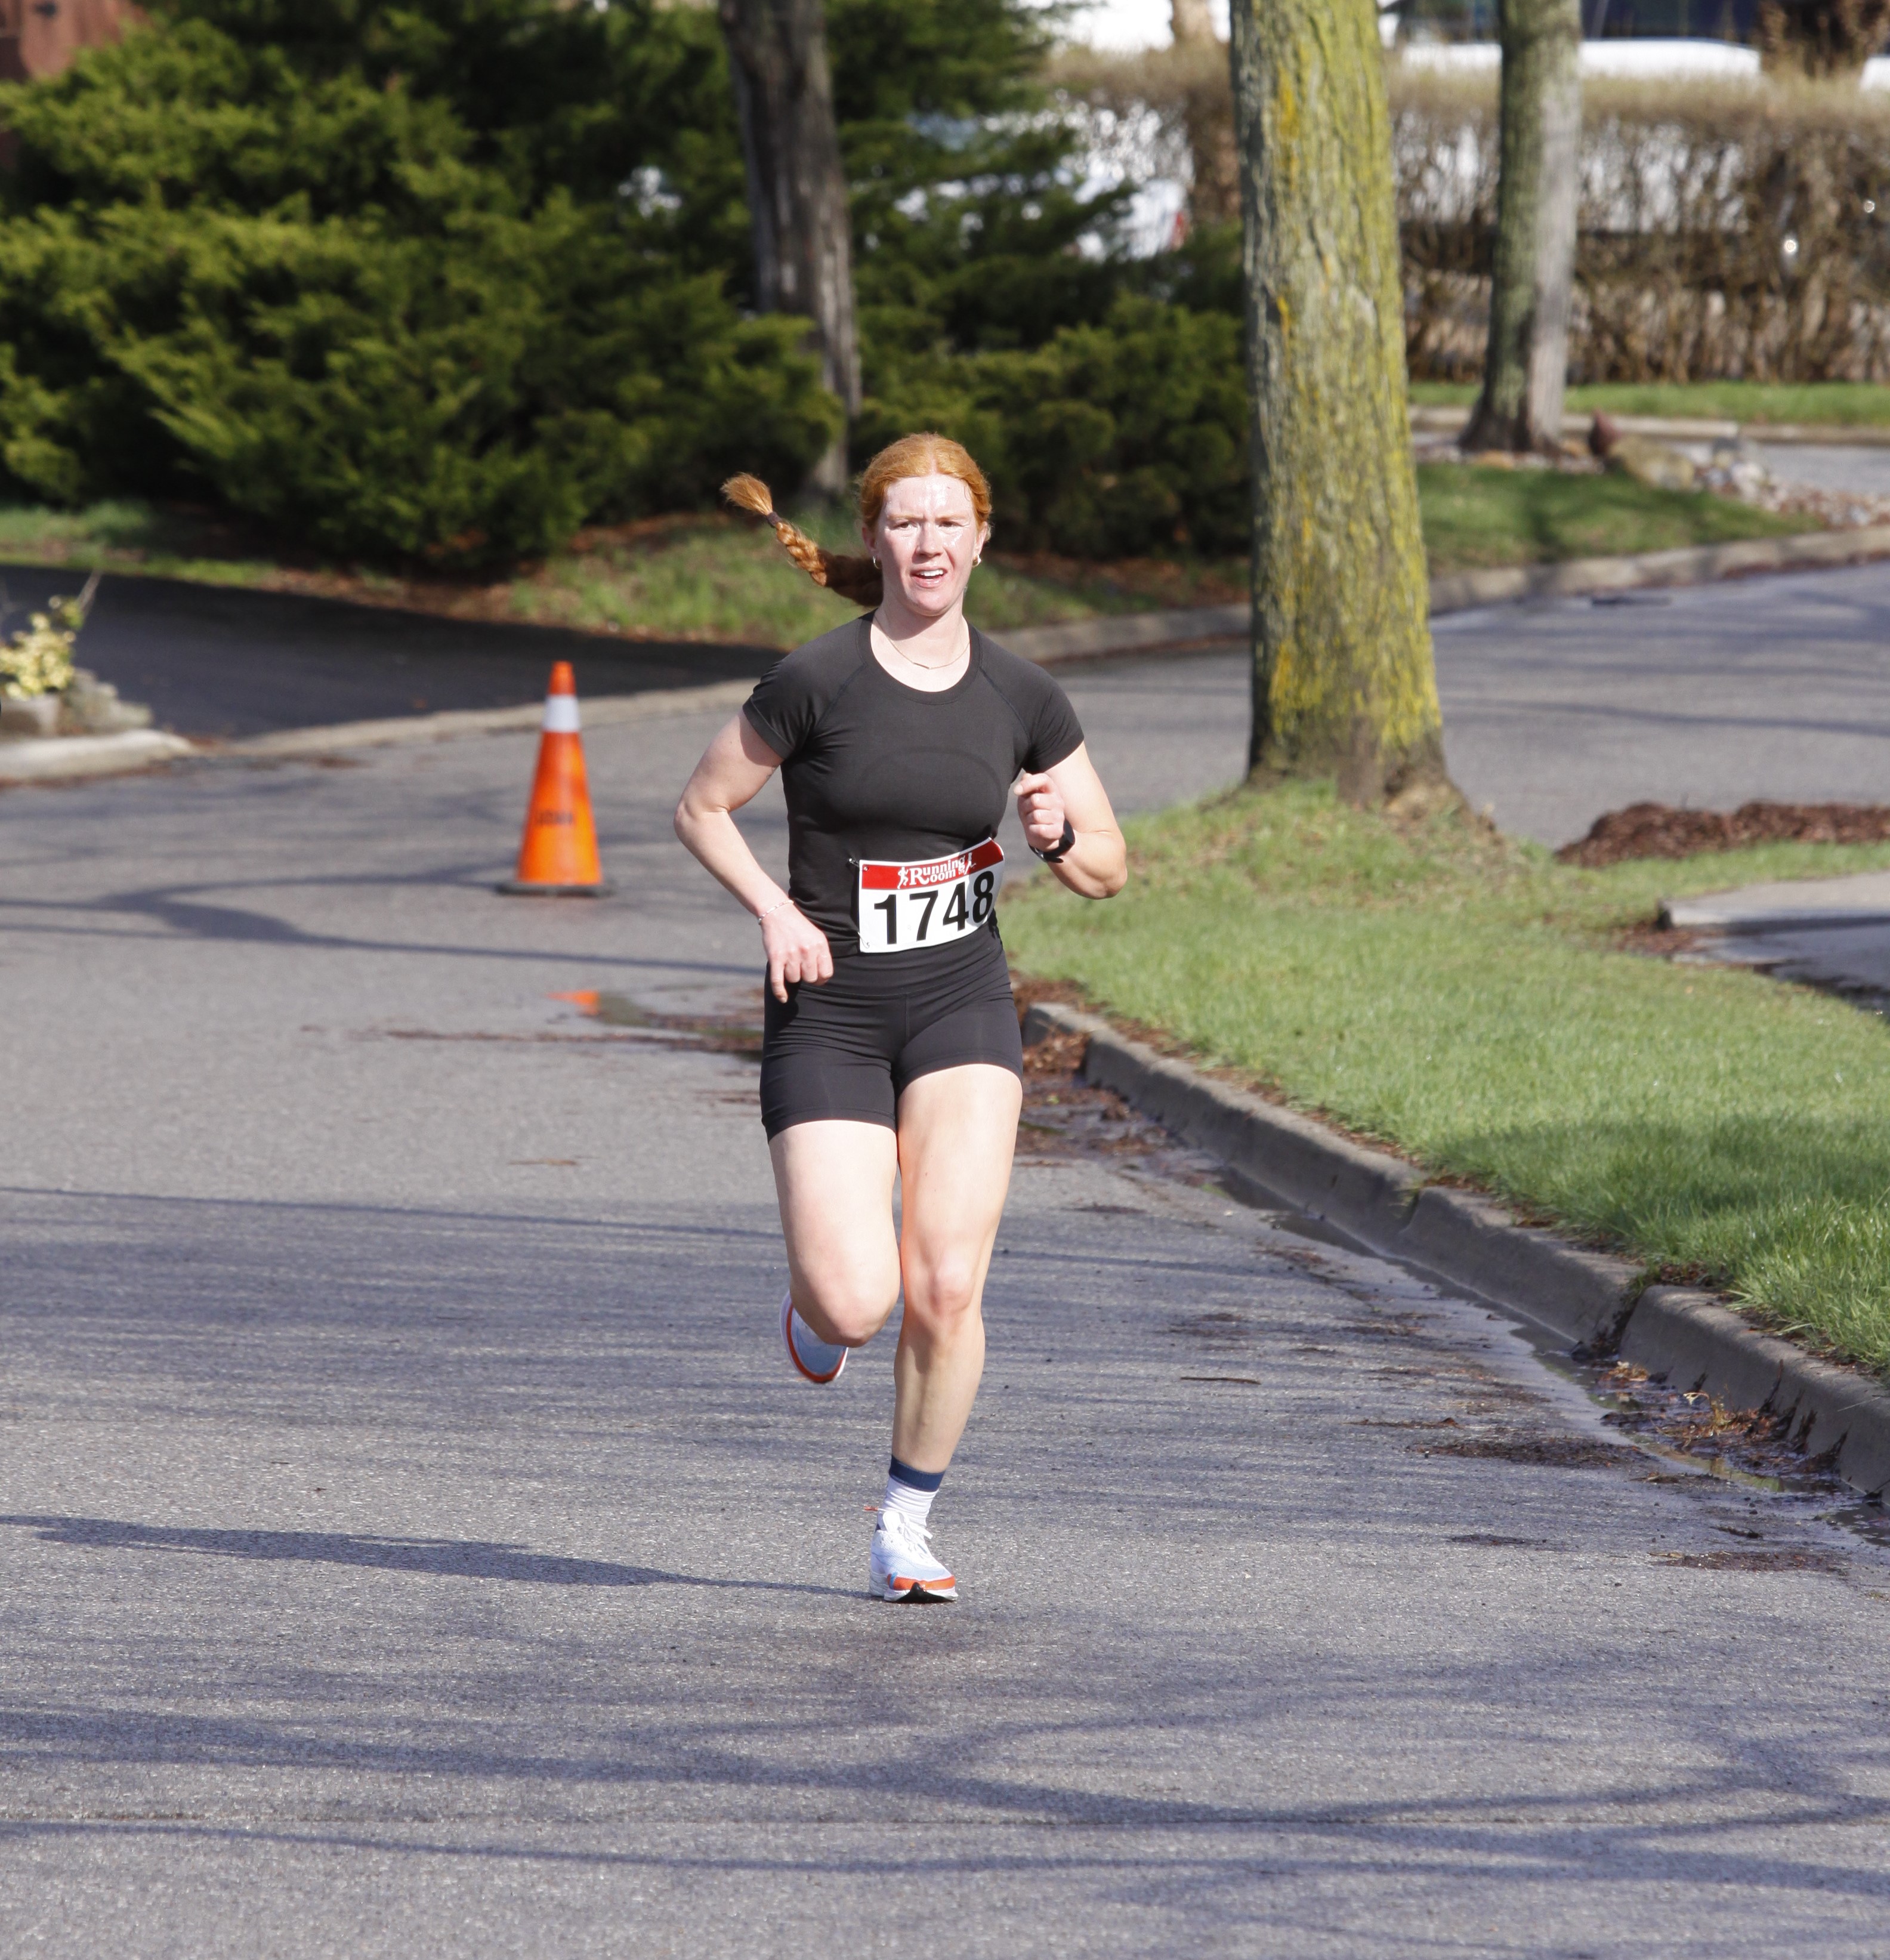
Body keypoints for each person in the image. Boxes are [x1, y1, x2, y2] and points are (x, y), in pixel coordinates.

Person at [674, 433, 1126, 1600]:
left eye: (948, 522)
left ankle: (905, 1522)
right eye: (906, 522)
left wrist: (1058, 836)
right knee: (856, 1299)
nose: (928, 543)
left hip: (960, 1003)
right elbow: (703, 807)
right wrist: (776, 911)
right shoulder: (815, 680)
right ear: (873, 540)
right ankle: (816, 1315)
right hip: (830, 1008)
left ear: (982, 538)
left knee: (948, 1283)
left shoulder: (1024, 695)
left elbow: (1109, 865)